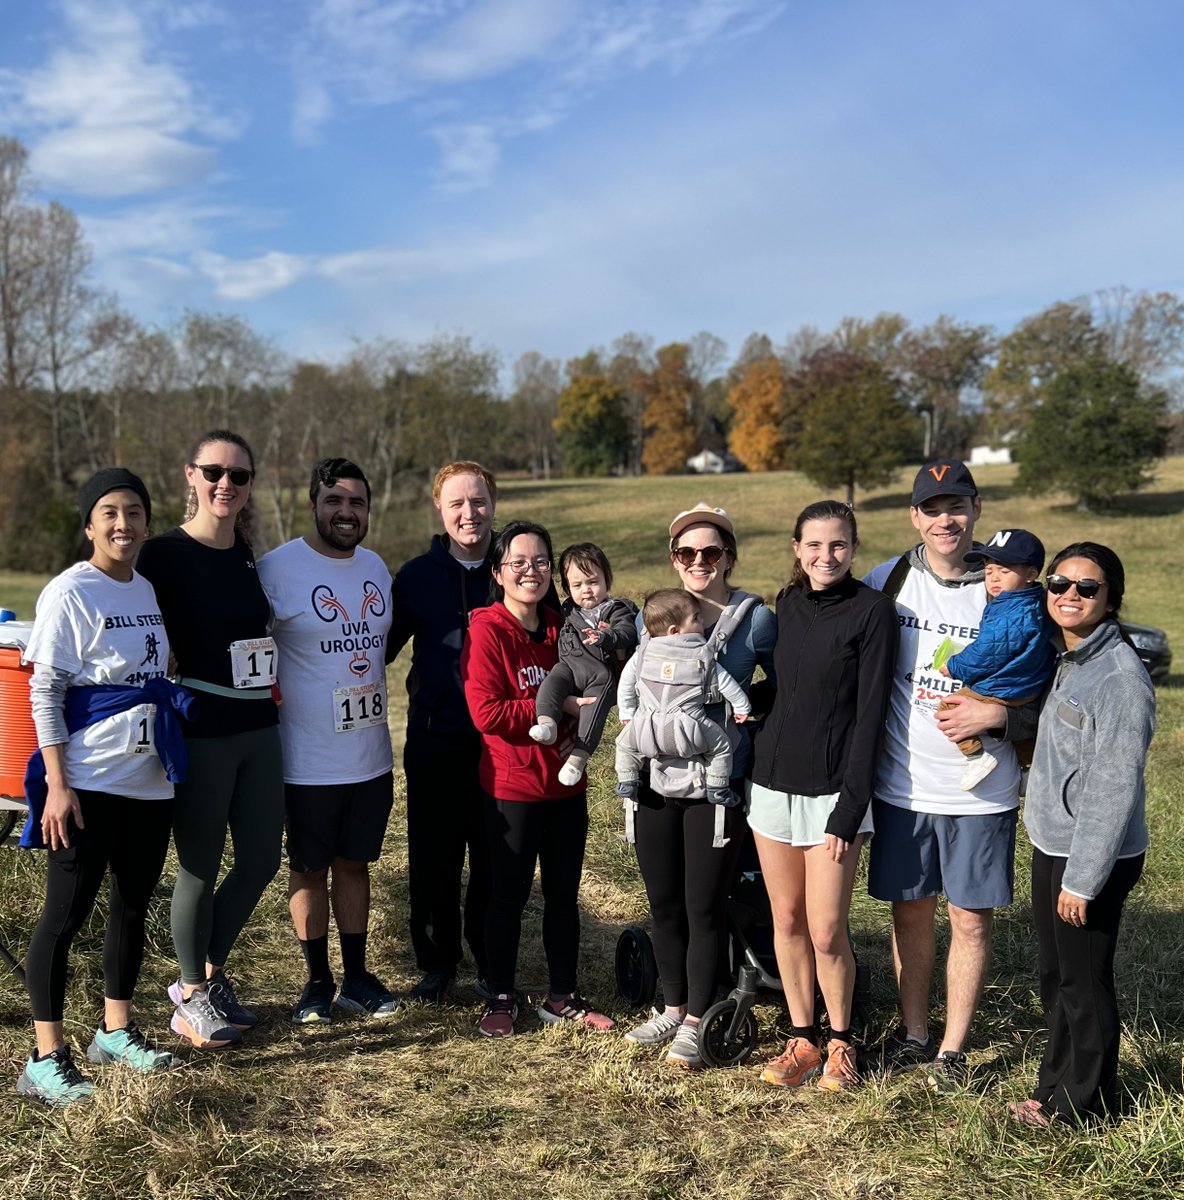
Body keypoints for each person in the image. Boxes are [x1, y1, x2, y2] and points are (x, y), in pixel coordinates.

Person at [16, 470, 189, 1105]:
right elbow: (45, 691)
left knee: (132, 905)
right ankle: (45, 1054)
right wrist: (58, 786)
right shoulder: (70, 591)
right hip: (88, 782)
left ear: (147, 522)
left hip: (147, 781)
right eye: (110, 512)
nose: (124, 524)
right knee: (64, 916)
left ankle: (114, 1029)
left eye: (135, 512)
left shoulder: (145, 587)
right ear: (90, 524)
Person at [864, 459, 1025, 1091]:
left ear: (977, 509)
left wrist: (1002, 716)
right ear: (914, 517)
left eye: (957, 505)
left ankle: (952, 1052)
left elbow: (1052, 676)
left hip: (981, 787)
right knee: (910, 915)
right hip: (902, 783)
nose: (945, 519)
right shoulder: (889, 579)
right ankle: (914, 1035)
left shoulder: (1009, 586)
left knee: (970, 920)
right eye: (932, 508)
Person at [137, 430, 284, 1049]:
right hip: (202, 729)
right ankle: (191, 992)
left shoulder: (248, 553)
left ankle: (206, 974)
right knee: (198, 866)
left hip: (259, 727)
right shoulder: (162, 554)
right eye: (214, 472)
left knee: (260, 859)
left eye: (240, 476)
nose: (227, 484)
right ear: (189, 476)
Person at [747, 500, 898, 1092]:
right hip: (770, 788)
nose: (825, 556)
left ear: (853, 548)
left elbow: (870, 717)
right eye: (813, 545)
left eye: (837, 545)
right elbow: (783, 690)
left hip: (834, 793)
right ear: (796, 548)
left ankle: (842, 1042)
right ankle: (802, 1037)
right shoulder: (783, 606)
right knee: (785, 920)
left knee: (827, 929)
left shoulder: (873, 612)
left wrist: (851, 805)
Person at [622, 503, 775, 1069]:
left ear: (729, 557)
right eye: (687, 553)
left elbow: (781, 688)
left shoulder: (755, 619)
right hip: (657, 782)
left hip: (716, 787)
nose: (699, 561)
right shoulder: (653, 619)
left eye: (712, 552)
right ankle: (671, 1004)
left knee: (703, 904)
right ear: (673, 560)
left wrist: (738, 716)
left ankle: (696, 1020)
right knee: (663, 904)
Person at [1004, 543, 1153, 1127]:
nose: (1069, 594)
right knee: (1057, 975)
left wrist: (1083, 881)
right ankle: (1055, 1088)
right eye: (1059, 582)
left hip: (1090, 858)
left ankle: (1082, 1107)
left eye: (1087, 588)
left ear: (1111, 598)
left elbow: (1112, 790)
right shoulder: (1072, 656)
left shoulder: (1118, 679)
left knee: (1085, 984)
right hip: (1056, 845)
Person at [460, 520, 613, 1038]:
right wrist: (556, 708)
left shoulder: (564, 627)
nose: (532, 571)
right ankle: (501, 993)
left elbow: (595, 686)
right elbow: (487, 713)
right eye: (519, 563)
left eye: (542, 562)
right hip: (513, 788)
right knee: (508, 895)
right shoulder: (486, 628)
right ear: (499, 571)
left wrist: (577, 719)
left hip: (566, 786)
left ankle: (562, 996)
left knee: (564, 896)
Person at [258, 458, 398, 1023]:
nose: (346, 512)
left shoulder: (376, 566)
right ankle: (317, 981)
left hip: (370, 754)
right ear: (313, 504)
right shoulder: (277, 569)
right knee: (309, 868)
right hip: (306, 759)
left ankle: (357, 977)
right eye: (334, 501)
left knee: (356, 864)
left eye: (356, 503)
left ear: (368, 509)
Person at [388, 462, 498, 1003]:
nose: (468, 513)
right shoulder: (414, 577)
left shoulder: (515, 567)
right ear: (440, 509)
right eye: (457, 504)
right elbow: (373, 649)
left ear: (492, 504)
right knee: (434, 858)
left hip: (503, 744)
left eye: (477, 502)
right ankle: (436, 964)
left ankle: (488, 959)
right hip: (435, 740)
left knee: (493, 856)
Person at [937, 529, 1055, 791]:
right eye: (989, 571)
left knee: (948, 707)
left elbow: (987, 653)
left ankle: (976, 757)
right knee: (1022, 740)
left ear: (1031, 573)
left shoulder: (1012, 613)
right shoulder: (1035, 600)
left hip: (1004, 687)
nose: (993, 578)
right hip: (1027, 685)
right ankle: (1029, 769)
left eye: (1003, 570)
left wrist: (954, 666)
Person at [615, 588, 751, 807]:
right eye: (696, 619)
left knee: (624, 746)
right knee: (722, 747)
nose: (703, 622)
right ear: (675, 630)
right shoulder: (701, 655)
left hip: (646, 726)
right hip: (691, 727)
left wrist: (627, 712)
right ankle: (717, 786)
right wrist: (741, 707)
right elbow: (726, 684)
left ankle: (627, 779)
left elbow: (626, 683)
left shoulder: (644, 653)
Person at [529, 542, 638, 787]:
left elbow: (627, 632)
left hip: (600, 674)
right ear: (567, 588)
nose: (586, 590)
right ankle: (547, 723)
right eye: (577, 585)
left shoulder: (616, 609)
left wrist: (607, 637)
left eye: (592, 582)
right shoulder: (568, 610)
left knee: (594, 708)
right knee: (552, 682)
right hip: (569, 666)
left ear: (606, 580)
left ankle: (578, 758)